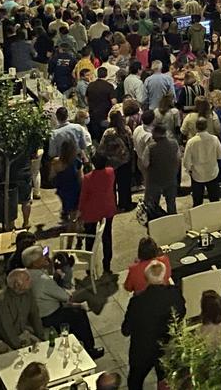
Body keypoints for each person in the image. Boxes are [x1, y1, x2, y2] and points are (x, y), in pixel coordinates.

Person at [23, 245, 104, 360]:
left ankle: (75, 342)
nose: (46, 258)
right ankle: (89, 349)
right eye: (42, 257)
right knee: (79, 314)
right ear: (35, 263)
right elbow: (65, 297)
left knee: (73, 311)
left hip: (34, 314)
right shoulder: (43, 280)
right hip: (48, 315)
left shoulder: (25, 274)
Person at [122, 259, 185, 390]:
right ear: (164, 276)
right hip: (166, 347)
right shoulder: (174, 294)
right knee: (165, 382)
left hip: (142, 350)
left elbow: (126, 330)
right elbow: (182, 312)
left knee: (135, 381)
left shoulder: (137, 302)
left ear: (146, 278)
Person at [0, 269, 46, 355]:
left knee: (42, 350)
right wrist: (21, 348)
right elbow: (6, 330)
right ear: (17, 284)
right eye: (27, 279)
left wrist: (42, 338)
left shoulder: (28, 293)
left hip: (20, 333)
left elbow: (35, 317)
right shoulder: (1, 302)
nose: (31, 280)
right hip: (0, 339)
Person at [78, 152, 117, 275]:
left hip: (92, 211)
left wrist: (80, 211)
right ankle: (107, 264)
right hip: (107, 208)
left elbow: (83, 197)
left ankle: (89, 265)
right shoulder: (110, 172)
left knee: (90, 238)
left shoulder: (88, 178)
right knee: (107, 236)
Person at [182, 116, 221, 205]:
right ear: (206, 126)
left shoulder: (191, 142)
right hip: (212, 173)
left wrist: (189, 170)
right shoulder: (214, 139)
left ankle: (198, 218)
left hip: (197, 175)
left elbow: (186, 162)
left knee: (197, 203)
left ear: (196, 127)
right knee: (215, 201)